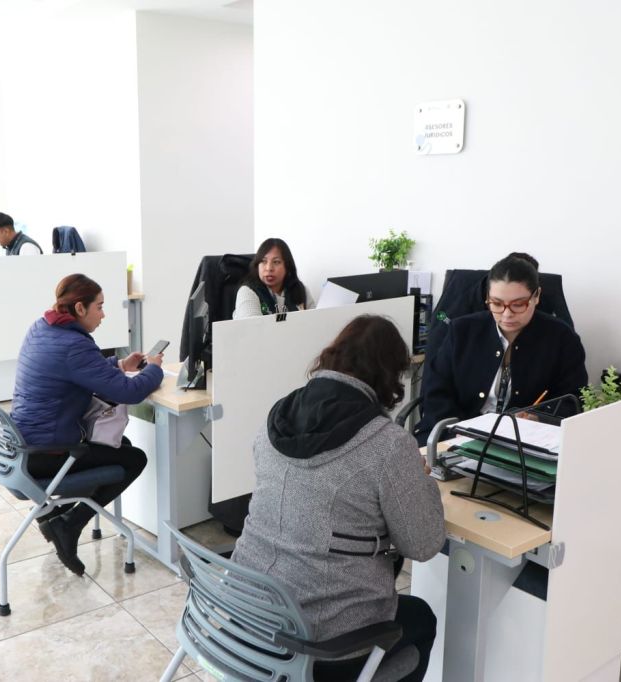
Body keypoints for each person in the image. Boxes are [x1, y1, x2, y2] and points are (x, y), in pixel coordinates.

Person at [232, 315, 445, 682]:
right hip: (319, 643)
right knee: (420, 619)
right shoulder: (387, 443)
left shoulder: (276, 417)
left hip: (244, 617)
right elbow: (423, 544)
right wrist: (421, 480)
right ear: (390, 376)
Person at [11, 273, 164, 575]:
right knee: (133, 458)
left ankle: (56, 515)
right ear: (80, 308)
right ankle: (68, 523)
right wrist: (155, 369)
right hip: (47, 452)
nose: (103, 315)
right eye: (100, 307)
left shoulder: (42, 328)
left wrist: (119, 365)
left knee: (119, 447)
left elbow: (75, 370)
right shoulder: (74, 345)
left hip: (22, 446)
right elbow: (129, 393)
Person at [416, 254, 588, 444]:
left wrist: (539, 418)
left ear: (537, 296)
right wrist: (459, 431)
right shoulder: (461, 331)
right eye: (497, 304)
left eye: (518, 305)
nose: (506, 314)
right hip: (457, 438)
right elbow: (436, 392)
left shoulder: (562, 338)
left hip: (524, 442)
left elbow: (573, 400)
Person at [232, 238, 314, 319]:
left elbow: (315, 321)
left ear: (287, 266)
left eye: (276, 262)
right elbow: (253, 326)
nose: (269, 268)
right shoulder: (248, 292)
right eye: (264, 261)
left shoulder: (300, 290)